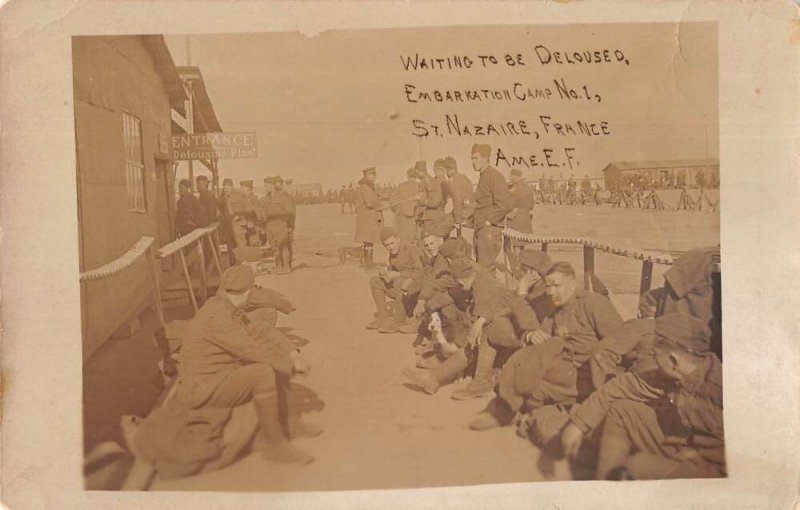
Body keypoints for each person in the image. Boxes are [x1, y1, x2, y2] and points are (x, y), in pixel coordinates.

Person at [174, 265, 317, 465]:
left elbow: (259, 330)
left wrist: (291, 352)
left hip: (218, 377)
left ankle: (287, 424)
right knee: (263, 372)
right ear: (248, 292)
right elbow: (251, 348)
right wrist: (290, 363)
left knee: (278, 361)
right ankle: (274, 446)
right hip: (202, 389)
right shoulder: (218, 317)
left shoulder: (224, 305)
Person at [560, 313, 723, 480]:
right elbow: (621, 386)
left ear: (673, 361)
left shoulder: (722, 388)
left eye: (655, 355)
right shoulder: (674, 374)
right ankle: (606, 487)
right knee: (622, 411)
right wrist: (578, 424)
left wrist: (696, 455)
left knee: (638, 465)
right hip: (685, 441)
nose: (654, 360)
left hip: (716, 469)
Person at [469, 261, 623, 430]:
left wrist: (608, 381)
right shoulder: (556, 311)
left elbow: (620, 341)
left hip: (587, 373)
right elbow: (541, 335)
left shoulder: (593, 304)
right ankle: (510, 410)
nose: (551, 292)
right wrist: (531, 334)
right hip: (565, 369)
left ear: (572, 284)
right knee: (530, 366)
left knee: (536, 370)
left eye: (556, 286)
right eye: (549, 286)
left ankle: (511, 412)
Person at [450, 249, 553, 400]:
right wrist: (482, 319)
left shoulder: (546, 292)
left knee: (491, 328)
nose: (518, 270)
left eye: (522, 268)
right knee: (489, 324)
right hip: (525, 332)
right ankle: (481, 382)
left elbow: (532, 322)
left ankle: (481, 383)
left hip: (539, 338)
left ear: (534, 273)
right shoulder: (531, 286)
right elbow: (504, 301)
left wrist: (522, 292)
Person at [366, 226, 423, 333]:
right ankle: (383, 317)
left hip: (414, 290)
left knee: (400, 282)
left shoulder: (411, 249)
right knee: (375, 281)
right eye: (387, 245)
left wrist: (397, 274)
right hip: (400, 289)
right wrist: (385, 272)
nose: (390, 247)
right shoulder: (393, 254)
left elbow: (420, 271)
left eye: (392, 243)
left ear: (398, 239)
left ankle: (399, 320)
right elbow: (394, 271)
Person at [471, 143, 512, 270]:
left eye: (476, 158)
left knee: (485, 270)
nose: (473, 162)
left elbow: (503, 204)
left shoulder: (495, 176)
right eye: (472, 158)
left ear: (486, 158)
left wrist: (488, 221)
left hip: (489, 231)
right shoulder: (484, 176)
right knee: (481, 269)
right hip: (481, 228)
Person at [261, 176, 296, 274]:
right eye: (265, 186)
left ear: (272, 186)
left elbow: (290, 211)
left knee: (283, 245)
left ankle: (286, 267)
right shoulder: (265, 198)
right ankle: (279, 266)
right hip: (269, 225)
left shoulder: (283, 196)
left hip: (279, 223)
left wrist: (274, 215)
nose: (265, 188)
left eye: (267, 186)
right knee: (274, 247)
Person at [354, 167, 386, 269]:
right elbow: (370, 202)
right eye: (371, 174)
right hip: (368, 217)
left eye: (374, 174)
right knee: (369, 240)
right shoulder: (365, 187)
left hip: (366, 217)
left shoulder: (368, 186)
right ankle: (369, 264)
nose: (374, 176)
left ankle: (367, 263)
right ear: (365, 175)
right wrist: (380, 205)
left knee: (368, 241)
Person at [505, 168, 535, 277]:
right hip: (526, 218)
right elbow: (531, 205)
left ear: (516, 177)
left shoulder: (514, 189)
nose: (510, 178)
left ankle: (516, 271)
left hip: (515, 218)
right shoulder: (527, 188)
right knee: (523, 245)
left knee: (516, 246)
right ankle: (524, 269)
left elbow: (509, 205)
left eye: (512, 176)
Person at [416, 159, 452, 238]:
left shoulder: (438, 182)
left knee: (431, 241)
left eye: (437, 169)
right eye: (435, 169)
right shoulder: (443, 181)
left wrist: (421, 201)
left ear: (443, 170)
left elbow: (435, 202)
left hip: (433, 218)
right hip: (438, 215)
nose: (435, 171)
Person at [445, 155, 475, 241]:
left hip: (464, 214)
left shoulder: (454, 180)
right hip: (471, 212)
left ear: (447, 169)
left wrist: (457, 221)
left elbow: (457, 201)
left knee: (440, 230)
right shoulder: (463, 177)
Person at [389, 167, 420, 244]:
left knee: (400, 241)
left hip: (399, 217)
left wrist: (396, 210)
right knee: (411, 241)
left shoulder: (401, 186)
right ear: (416, 176)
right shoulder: (418, 186)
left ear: (407, 175)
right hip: (411, 218)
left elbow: (392, 202)